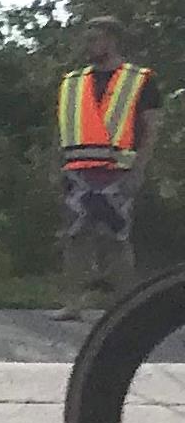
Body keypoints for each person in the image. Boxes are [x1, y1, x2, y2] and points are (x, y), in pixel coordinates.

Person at [58, 16, 156, 320]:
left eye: (95, 38)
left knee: (117, 237)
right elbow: (61, 127)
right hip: (78, 171)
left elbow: (151, 129)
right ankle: (73, 304)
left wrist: (139, 169)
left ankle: (125, 306)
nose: (88, 45)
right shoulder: (74, 81)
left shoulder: (139, 79)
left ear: (112, 39)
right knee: (75, 237)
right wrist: (55, 167)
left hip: (117, 171)